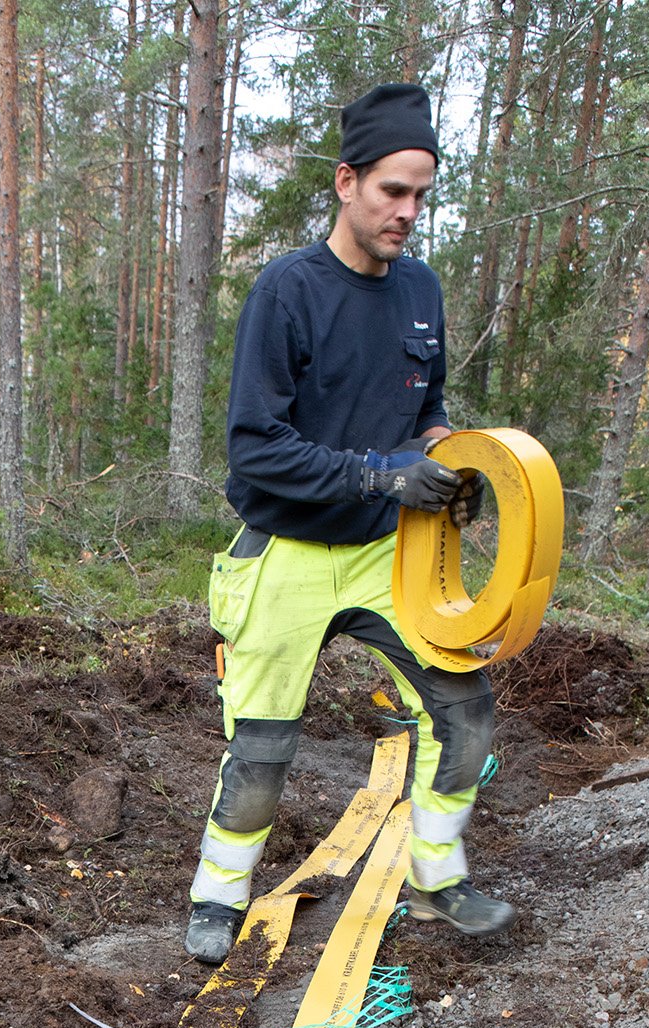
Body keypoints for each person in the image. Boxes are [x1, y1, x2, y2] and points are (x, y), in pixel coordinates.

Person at [184, 81, 513, 966]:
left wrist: (454, 459)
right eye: (391, 192)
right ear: (346, 182)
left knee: (466, 714)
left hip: (385, 555)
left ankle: (437, 878)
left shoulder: (421, 293)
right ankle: (218, 895)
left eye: (420, 195)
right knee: (262, 752)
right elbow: (255, 449)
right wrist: (377, 473)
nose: (407, 212)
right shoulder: (287, 293)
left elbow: (428, 409)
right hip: (284, 550)